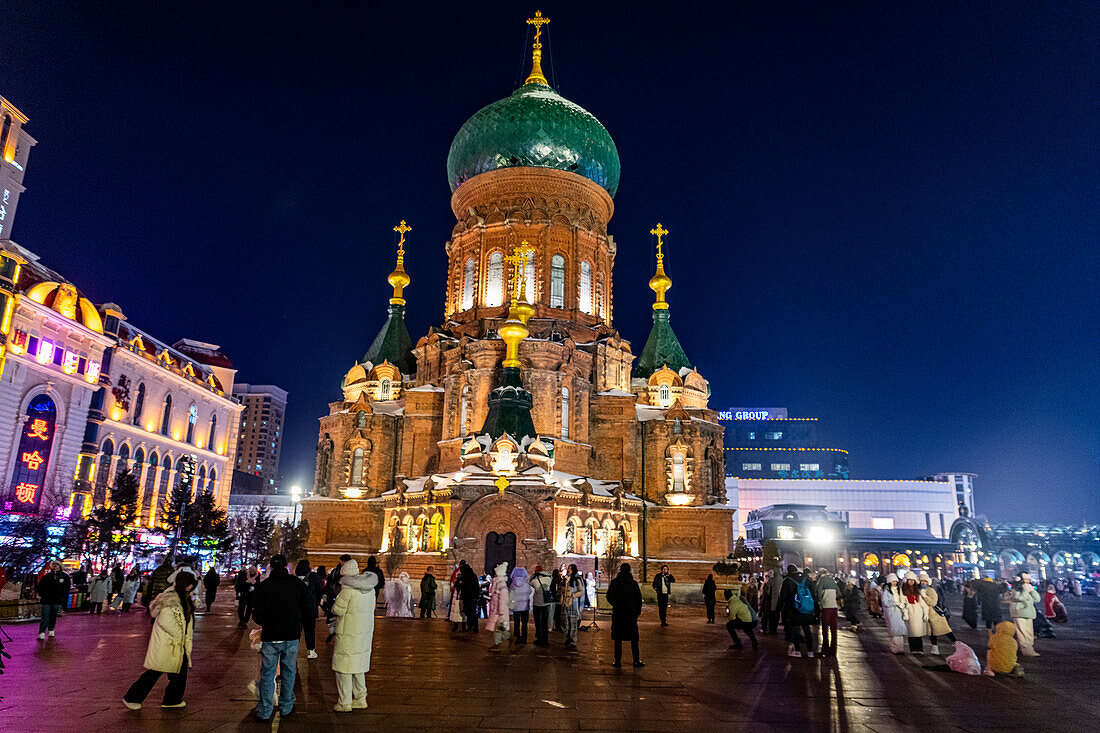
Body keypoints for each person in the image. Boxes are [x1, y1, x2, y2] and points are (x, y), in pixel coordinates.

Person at [123, 573, 196, 710]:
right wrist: (180, 636)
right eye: (190, 584)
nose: (191, 587)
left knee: (179, 674)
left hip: (177, 644)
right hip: (168, 643)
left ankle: (172, 700)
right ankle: (132, 697)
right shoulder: (170, 599)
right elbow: (165, 621)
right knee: (155, 672)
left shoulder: (185, 598)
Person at [251, 554, 310, 721]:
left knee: (268, 673)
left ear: (271, 567)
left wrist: (266, 622)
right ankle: (286, 706)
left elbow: (256, 614)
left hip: (270, 635)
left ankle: (264, 710)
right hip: (291, 634)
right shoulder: (297, 585)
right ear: (286, 566)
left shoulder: (264, 586)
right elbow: (308, 608)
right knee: (289, 671)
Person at [330, 559, 379, 712]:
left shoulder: (347, 591)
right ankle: (361, 698)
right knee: (358, 667)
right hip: (363, 634)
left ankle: (345, 702)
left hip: (348, 634)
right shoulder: (370, 590)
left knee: (343, 668)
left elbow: (338, 610)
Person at [605, 563, 644, 667]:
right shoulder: (633, 584)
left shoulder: (615, 582)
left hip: (619, 614)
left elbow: (608, 596)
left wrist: (615, 604)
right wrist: (637, 611)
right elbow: (638, 599)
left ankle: (617, 660)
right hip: (630, 614)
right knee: (634, 639)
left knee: (618, 639)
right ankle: (636, 660)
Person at [779, 564, 817, 658]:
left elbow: (783, 596)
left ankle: (797, 650)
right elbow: (813, 593)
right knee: (807, 629)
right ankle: (810, 651)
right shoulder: (806, 579)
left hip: (793, 608)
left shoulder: (787, 580)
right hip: (806, 607)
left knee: (795, 629)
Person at [918, 572, 955, 654]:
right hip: (927, 615)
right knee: (931, 633)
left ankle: (957, 644)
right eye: (922, 581)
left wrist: (924, 597)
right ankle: (935, 648)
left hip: (935, 615)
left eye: (925, 581)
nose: (923, 583)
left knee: (946, 630)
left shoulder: (931, 590)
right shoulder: (919, 590)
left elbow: (933, 603)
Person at [295, 559, 323, 659]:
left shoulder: (295, 578)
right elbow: (319, 590)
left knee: (296, 630)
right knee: (310, 630)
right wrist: (316, 602)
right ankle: (311, 650)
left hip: (297, 609)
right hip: (310, 608)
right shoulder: (314, 577)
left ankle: (294, 650)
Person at [1009, 572, 1041, 657]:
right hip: (1019, 612)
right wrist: (1026, 590)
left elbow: (1037, 599)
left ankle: (1030, 647)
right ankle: (1025, 649)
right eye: (1026, 579)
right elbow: (1019, 598)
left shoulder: (1028, 588)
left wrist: (1033, 591)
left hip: (1029, 613)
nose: (1028, 581)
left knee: (1029, 632)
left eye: (1028, 579)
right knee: (1022, 632)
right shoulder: (1016, 589)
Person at [36, 560, 70, 640]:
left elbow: (66, 589)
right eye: (53, 565)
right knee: (45, 615)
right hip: (46, 599)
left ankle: (51, 629)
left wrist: (62, 598)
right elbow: (40, 586)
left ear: (60, 566)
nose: (55, 566)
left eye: (56, 565)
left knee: (53, 615)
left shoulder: (65, 577)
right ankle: (42, 633)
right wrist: (42, 595)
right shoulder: (47, 576)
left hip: (57, 599)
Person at [322, 555, 351, 641]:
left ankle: (332, 631)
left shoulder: (335, 571)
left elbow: (329, 584)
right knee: (340, 614)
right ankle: (338, 633)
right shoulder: (348, 573)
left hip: (334, 595)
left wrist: (326, 595)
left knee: (333, 613)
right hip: (342, 595)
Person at [900, 572, 928, 655]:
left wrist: (925, 612)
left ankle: (920, 649)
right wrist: (905, 612)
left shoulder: (918, 590)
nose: (911, 582)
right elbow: (902, 601)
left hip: (918, 612)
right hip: (910, 611)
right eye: (909, 580)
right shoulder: (903, 590)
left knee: (918, 633)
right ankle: (913, 649)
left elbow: (922, 602)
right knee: (911, 632)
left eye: (913, 580)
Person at [486, 562, 511, 653]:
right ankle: (505, 641)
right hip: (496, 610)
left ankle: (498, 644)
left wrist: (501, 611)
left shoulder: (501, 584)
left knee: (499, 628)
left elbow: (503, 599)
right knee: (499, 628)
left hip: (499, 611)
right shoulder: (497, 583)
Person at [880, 573, 906, 654]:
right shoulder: (886, 592)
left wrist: (903, 604)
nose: (894, 583)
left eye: (895, 581)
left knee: (900, 631)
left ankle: (900, 648)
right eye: (892, 581)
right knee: (894, 631)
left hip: (899, 612)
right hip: (891, 613)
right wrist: (895, 603)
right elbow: (885, 602)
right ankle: (894, 648)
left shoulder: (899, 591)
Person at [816, 570, 840, 657]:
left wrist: (822, 600)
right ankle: (833, 651)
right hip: (834, 607)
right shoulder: (833, 581)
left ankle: (825, 650)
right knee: (833, 630)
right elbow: (839, 593)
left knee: (825, 630)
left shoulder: (821, 581)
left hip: (826, 607)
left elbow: (818, 592)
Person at [529, 565, 553, 646]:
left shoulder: (535, 580)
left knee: (538, 622)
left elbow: (530, 583)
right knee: (545, 622)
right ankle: (545, 639)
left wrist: (533, 575)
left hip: (537, 603)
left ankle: (539, 638)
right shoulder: (549, 578)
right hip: (546, 603)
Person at [563, 564, 585, 650]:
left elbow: (581, 591)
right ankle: (568, 638)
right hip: (566, 603)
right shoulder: (566, 578)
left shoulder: (577, 579)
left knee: (573, 624)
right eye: (568, 568)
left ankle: (573, 641)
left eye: (570, 569)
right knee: (566, 623)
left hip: (573, 604)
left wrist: (574, 595)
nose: (568, 570)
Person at [509, 565, 531, 643]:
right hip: (525, 607)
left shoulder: (512, 585)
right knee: (524, 624)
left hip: (516, 607)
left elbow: (511, 595)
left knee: (516, 623)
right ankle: (524, 638)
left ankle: (517, 637)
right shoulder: (526, 585)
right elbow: (530, 592)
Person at [459, 560, 480, 632]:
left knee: (469, 612)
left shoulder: (466, 577)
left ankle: (471, 626)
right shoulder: (473, 575)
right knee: (473, 612)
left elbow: (464, 588)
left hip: (468, 597)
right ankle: (475, 627)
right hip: (473, 597)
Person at [764, 565, 785, 634]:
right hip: (780, 600)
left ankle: (771, 629)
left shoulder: (772, 580)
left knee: (772, 616)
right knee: (777, 615)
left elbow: (768, 591)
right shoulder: (783, 579)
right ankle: (774, 629)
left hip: (773, 601)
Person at [448, 563, 464, 630]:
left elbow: (453, 584)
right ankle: (462, 627)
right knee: (460, 611)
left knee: (457, 611)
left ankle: (456, 626)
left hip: (458, 596)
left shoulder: (457, 573)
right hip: (461, 596)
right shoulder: (466, 577)